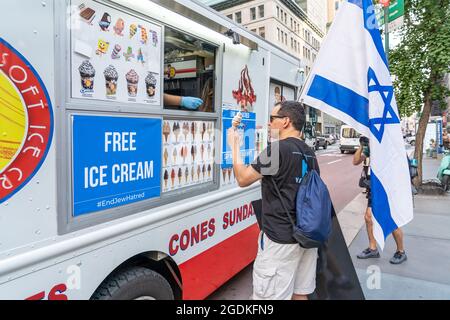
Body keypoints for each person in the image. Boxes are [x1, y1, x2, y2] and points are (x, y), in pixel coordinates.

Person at [227, 100, 319, 300]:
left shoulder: (277, 151)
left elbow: (243, 179)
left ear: (285, 121)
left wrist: (234, 146)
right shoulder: (309, 153)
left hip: (280, 240)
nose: (269, 124)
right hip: (307, 237)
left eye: (272, 119)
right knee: (300, 294)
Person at [353, 137, 407, 264]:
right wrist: (362, 146)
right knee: (368, 217)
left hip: (388, 187)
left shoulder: (389, 146)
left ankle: (401, 251)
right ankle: (373, 248)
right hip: (375, 186)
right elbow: (355, 161)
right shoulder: (371, 148)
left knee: (390, 218)